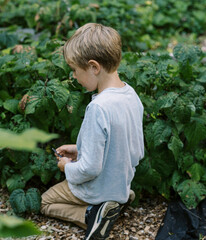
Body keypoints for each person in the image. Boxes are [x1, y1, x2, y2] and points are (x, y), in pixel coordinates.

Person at [40, 23, 144, 240]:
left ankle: (91, 215)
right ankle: (118, 200)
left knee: (46, 201)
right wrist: (81, 149)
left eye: (75, 70)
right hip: (120, 182)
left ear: (94, 67)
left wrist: (67, 167)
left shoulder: (98, 107)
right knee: (108, 189)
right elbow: (134, 150)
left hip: (96, 187)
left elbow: (89, 169)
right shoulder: (130, 95)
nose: (74, 77)